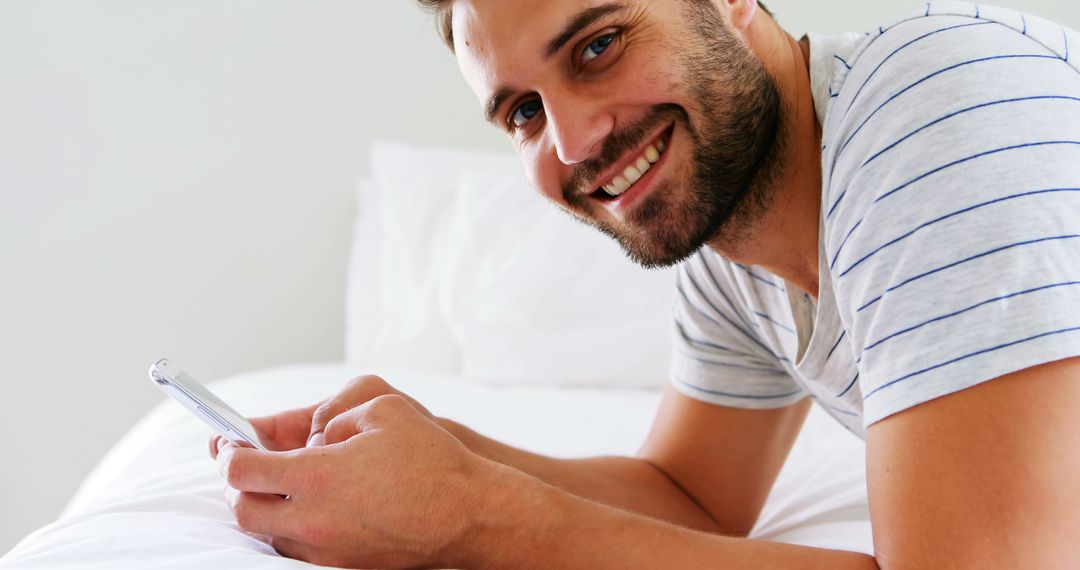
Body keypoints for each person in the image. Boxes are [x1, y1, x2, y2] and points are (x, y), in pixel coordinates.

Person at [210, 1, 1080, 567]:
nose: (576, 140)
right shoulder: (733, 240)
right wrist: (440, 450)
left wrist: (472, 516)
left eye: (598, 46)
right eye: (523, 112)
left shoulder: (942, 115)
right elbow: (690, 496)